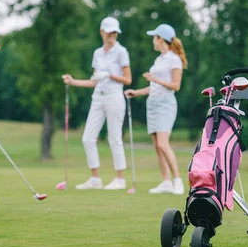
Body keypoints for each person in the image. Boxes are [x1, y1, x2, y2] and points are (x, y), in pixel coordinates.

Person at [62, 17, 132, 190]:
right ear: (102, 32)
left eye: (115, 32)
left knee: (114, 138)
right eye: (109, 32)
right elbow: (93, 81)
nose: (112, 35)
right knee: (87, 138)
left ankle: (120, 179)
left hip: (114, 95)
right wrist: (73, 81)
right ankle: (95, 179)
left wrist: (109, 75)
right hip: (98, 96)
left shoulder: (121, 51)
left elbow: (128, 79)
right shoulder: (97, 53)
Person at [124, 23, 187, 195]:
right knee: (157, 146)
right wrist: (136, 92)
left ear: (161, 39)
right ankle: (166, 181)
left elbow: (176, 85)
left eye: (154, 37)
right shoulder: (159, 59)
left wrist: (155, 79)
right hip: (152, 103)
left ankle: (177, 181)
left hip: (165, 104)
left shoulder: (174, 59)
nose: (153, 41)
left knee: (163, 144)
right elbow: (153, 86)